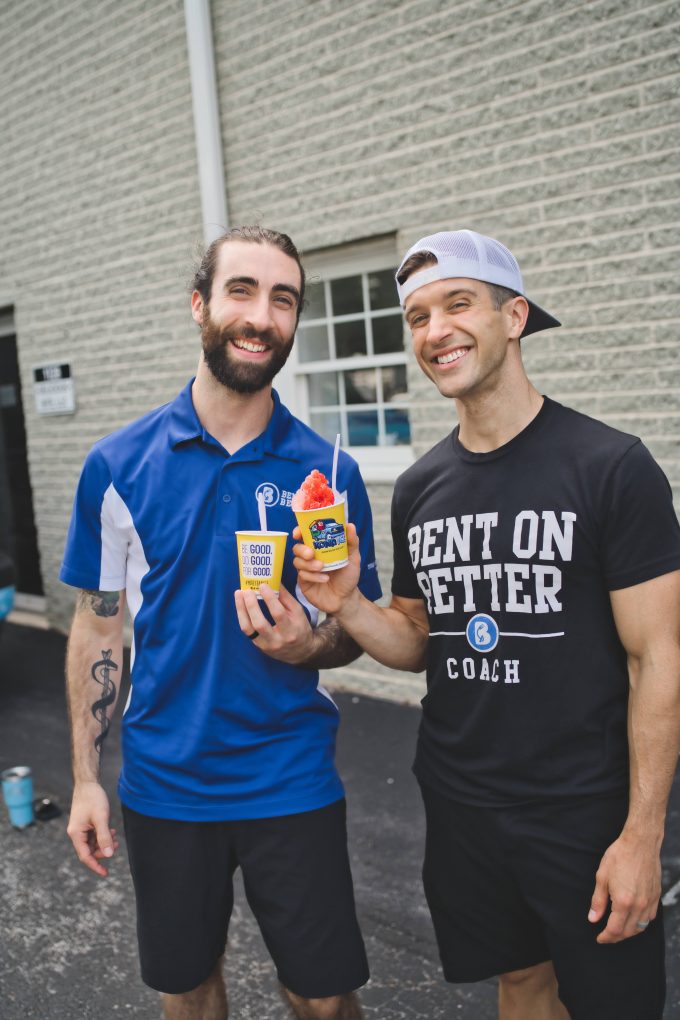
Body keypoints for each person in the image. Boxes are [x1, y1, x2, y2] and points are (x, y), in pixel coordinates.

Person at [292, 228, 680, 1020]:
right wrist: (349, 606)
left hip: (584, 808)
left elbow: (658, 660)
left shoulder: (611, 467)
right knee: (519, 981)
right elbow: (415, 640)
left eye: (458, 304)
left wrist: (644, 836)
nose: (436, 332)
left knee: (612, 1004)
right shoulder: (422, 485)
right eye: (418, 316)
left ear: (515, 316)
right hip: (463, 802)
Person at [61, 225, 381, 1020]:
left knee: (324, 998)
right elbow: (99, 628)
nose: (262, 315)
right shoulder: (117, 465)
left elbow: (353, 626)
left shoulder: (328, 473)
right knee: (190, 992)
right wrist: (84, 782)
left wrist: (309, 641)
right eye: (242, 290)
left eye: (283, 299)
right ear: (199, 303)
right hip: (168, 786)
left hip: (291, 778)